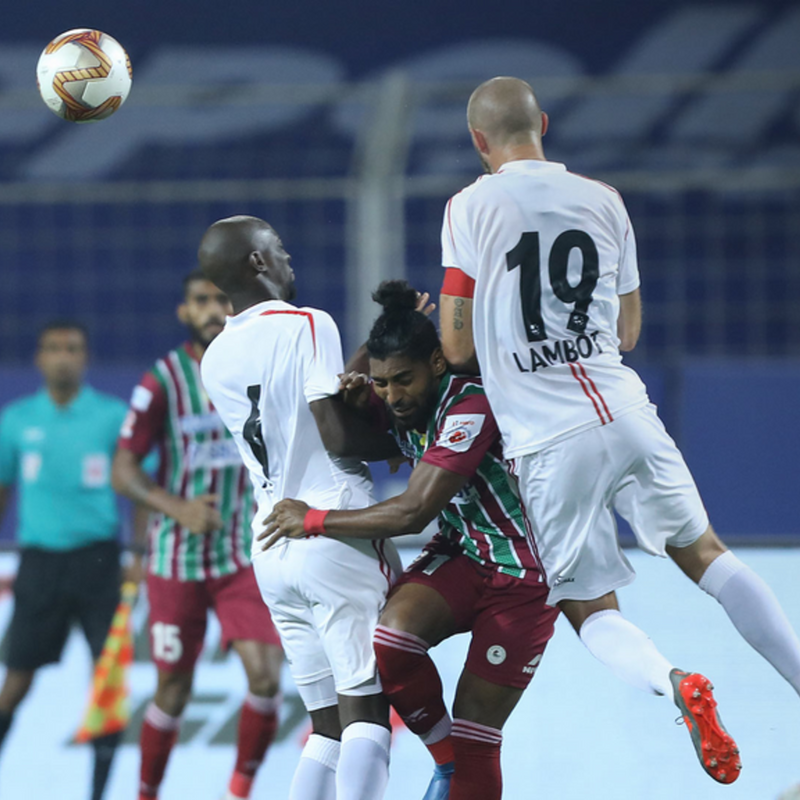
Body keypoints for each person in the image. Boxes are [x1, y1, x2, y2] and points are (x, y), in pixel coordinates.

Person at [436, 75, 800, 784]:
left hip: (548, 441)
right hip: (625, 409)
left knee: (589, 606)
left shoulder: (469, 206)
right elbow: (628, 331)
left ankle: (674, 682)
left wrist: (504, 338)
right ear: (543, 124)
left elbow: (454, 344)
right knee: (709, 555)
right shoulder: (604, 199)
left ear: (478, 141)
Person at [262, 280, 560, 800]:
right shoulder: (400, 405)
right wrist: (358, 386)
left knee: (477, 737)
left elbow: (413, 510)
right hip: (463, 553)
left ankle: (459, 761)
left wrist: (314, 520)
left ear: (437, 364)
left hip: (522, 573)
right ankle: (446, 762)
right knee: (392, 642)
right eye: (382, 383)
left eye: (403, 380)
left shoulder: (469, 404)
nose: (394, 396)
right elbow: (341, 430)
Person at [198, 215, 402, 800]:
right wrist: (406, 438)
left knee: (326, 727)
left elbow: (294, 415)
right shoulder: (309, 322)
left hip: (271, 547)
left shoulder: (214, 357)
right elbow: (334, 436)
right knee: (367, 711)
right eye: (279, 248)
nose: (289, 258)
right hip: (332, 529)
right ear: (257, 262)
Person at [111, 271, 284, 800]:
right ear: (184, 312)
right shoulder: (163, 381)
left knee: (266, 678)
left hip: (241, 555)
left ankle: (239, 791)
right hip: (175, 560)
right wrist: (177, 508)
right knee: (173, 687)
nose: (213, 309)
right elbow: (123, 470)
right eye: (201, 300)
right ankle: (147, 793)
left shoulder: (259, 371)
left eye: (222, 299)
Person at [0, 320, 131, 800]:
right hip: (39, 564)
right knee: (15, 681)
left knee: (107, 683)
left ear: (85, 357)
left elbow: (140, 484)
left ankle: (98, 793)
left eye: (72, 348)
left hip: (99, 563)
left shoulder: (112, 416)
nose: (62, 357)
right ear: (39, 358)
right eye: (53, 348)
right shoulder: (16, 420)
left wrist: (139, 551)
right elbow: (3, 488)